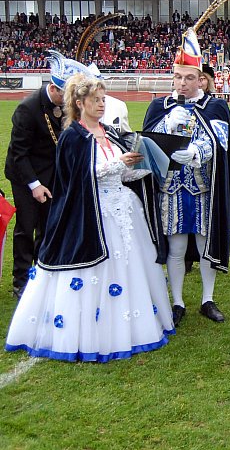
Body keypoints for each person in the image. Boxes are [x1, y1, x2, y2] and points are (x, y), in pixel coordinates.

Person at [5, 74, 174, 362]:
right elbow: (76, 177)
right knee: (96, 269)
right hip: (91, 214)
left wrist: (142, 170)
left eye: (103, 99)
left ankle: (129, 325)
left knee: (129, 267)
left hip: (122, 209)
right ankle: (90, 331)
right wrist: (116, 163)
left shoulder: (107, 132)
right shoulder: (73, 136)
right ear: (80, 102)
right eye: (95, 100)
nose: (101, 104)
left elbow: (117, 174)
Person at [142, 28, 230, 326]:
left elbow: (223, 141)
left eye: (190, 77)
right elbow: (146, 145)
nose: (183, 83)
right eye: (179, 77)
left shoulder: (215, 105)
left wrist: (198, 151)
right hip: (171, 188)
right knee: (177, 246)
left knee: (206, 243)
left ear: (200, 79)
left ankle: (208, 298)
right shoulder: (159, 106)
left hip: (204, 186)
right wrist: (167, 125)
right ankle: (178, 300)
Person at [4, 53, 66, 298]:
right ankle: (20, 280)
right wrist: (34, 185)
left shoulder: (64, 106)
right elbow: (19, 153)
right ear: (53, 87)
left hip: (50, 172)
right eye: (65, 93)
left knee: (47, 224)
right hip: (23, 174)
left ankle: (41, 272)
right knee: (26, 226)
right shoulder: (26, 109)